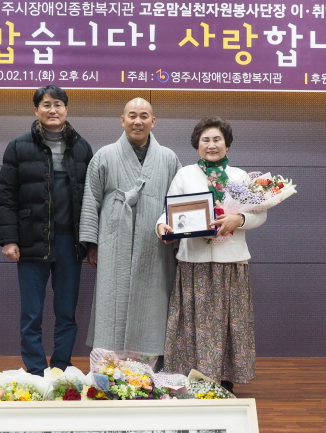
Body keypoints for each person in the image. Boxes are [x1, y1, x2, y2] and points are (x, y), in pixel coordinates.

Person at [156, 117, 267, 393]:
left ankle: (224, 377)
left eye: (217, 139)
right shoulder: (185, 175)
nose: (211, 144)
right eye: (205, 140)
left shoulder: (241, 177)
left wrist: (239, 219)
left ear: (227, 145)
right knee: (193, 323)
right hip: (193, 262)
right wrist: (162, 226)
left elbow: (260, 215)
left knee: (229, 323)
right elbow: (170, 211)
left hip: (231, 262)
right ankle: (192, 376)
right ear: (197, 146)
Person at [0, 84, 93, 376]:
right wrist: (9, 239)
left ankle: (61, 368)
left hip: (69, 243)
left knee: (67, 311)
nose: (53, 110)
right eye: (46, 105)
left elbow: (91, 199)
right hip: (31, 241)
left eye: (58, 104)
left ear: (66, 109)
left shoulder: (81, 147)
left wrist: (90, 242)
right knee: (31, 313)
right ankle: (37, 371)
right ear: (36, 110)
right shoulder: (18, 146)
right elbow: (7, 196)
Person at [80, 97, 181, 358]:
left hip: (154, 244)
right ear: (122, 120)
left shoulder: (168, 158)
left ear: (153, 121)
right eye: (132, 115)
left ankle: (149, 366)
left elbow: (178, 201)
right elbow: (91, 200)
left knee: (153, 299)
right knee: (112, 298)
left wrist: (177, 240)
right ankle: (109, 366)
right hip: (114, 240)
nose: (138, 121)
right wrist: (92, 244)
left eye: (144, 116)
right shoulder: (104, 155)